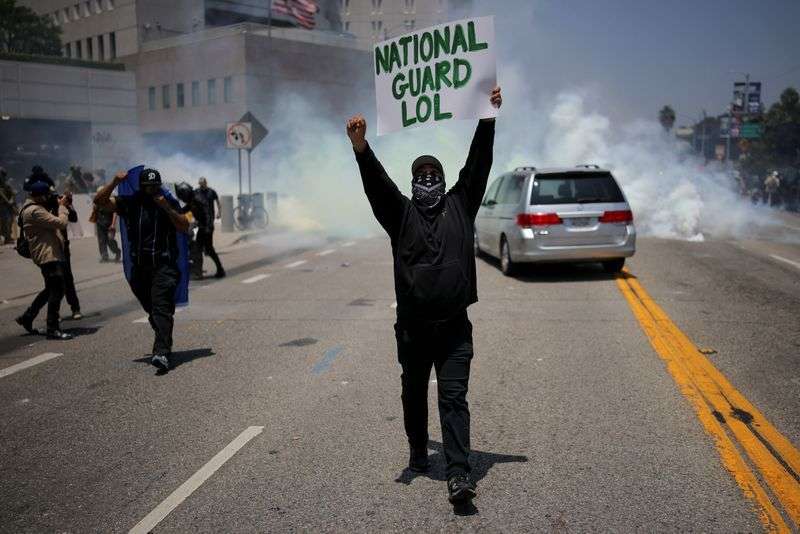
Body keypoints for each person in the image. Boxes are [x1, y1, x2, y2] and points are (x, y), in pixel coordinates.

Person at [347, 86, 502, 505]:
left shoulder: (461, 205)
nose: (429, 181)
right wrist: (362, 149)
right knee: (414, 393)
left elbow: (478, 165)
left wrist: (487, 118)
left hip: (454, 329)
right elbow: (377, 187)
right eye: (422, 176)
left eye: (435, 175)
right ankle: (418, 448)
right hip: (413, 331)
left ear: (445, 180)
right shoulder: (400, 216)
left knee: (453, 399)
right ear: (414, 182)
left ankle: (458, 473)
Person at [94, 168, 190, 371]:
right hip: (140, 268)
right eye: (149, 187)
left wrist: (167, 209)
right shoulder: (131, 203)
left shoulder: (167, 201)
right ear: (141, 187)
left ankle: (162, 353)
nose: (153, 190)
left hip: (164, 266)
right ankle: (162, 336)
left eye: (156, 186)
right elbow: (100, 202)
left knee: (162, 309)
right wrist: (113, 182)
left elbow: (184, 226)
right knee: (152, 310)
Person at [14, 181, 73, 340]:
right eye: (47, 195)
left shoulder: (33, 208)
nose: (49, 197)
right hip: (47, 255)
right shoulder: (34, 211)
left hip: (48, 254)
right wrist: (62, 207)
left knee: (50, 290)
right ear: (39, 196)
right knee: (58, 290)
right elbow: (61, 223)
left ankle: (28, 316)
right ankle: (52, 328)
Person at [194, 177, 225, 278]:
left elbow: (218, 203)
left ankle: (219, 269)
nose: (202, 186)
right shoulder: (197, 192)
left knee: (208, 249)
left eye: (203, 184)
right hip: (201, 225)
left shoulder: (211, 192)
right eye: (200, 184)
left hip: (208, 225)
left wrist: (219, 213)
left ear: (206, 183)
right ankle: (199, 272)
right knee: (199, 248)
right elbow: (192, 205)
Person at [90, 186, 121, 262]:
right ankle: (104, 255)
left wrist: (113, 224)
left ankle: (117, 251)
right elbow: (95, 213)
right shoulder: (97, 202)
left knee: (110, 240)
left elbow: (115, 212)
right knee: (101, 240)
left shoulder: (110, 201)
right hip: (100, 224)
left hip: (110, 224)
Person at [0, 167, 17, 245]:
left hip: (4, 206)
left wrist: (11, 201)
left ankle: (7, 237)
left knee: (7, 221)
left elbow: (12, 194)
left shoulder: (6, 185)